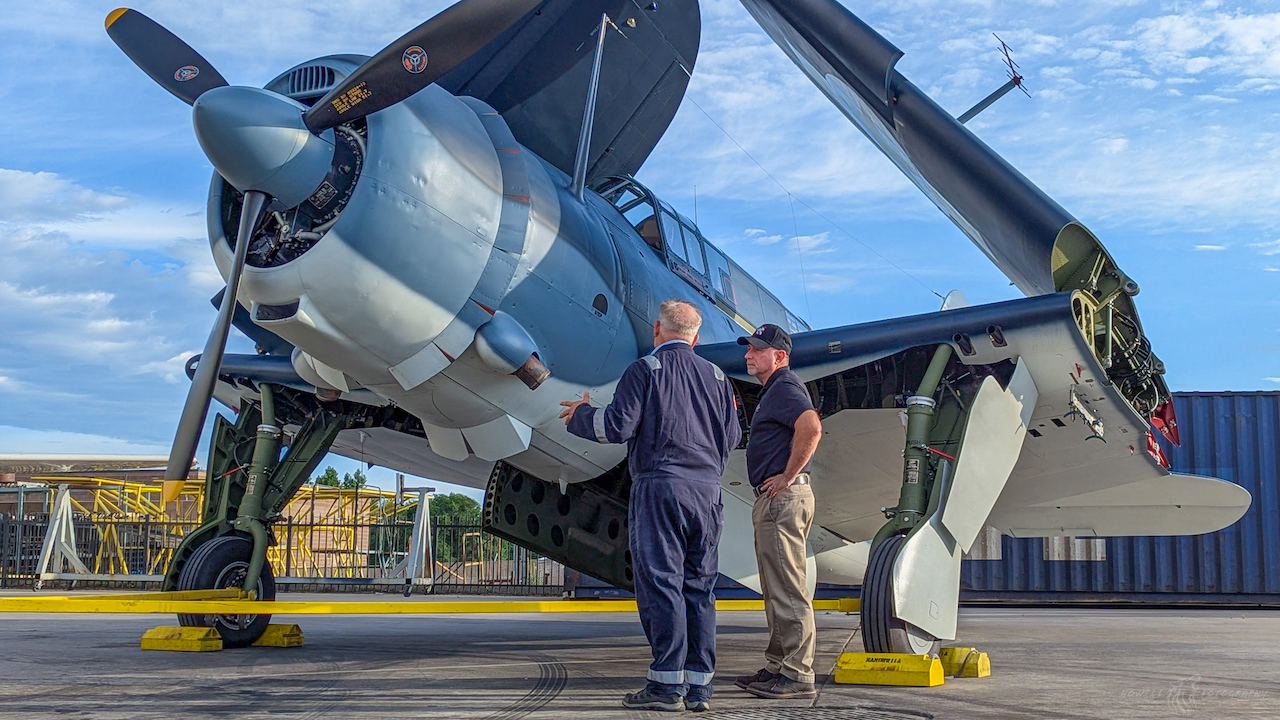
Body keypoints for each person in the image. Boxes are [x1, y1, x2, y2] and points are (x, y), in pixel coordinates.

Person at [560, 299, 741, 713]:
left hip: (661, 487)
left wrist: (580, 415)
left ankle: (665, 686)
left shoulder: (645, 370)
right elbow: (731, 437)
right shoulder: (718, 377)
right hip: (707, 492)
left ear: (657, 331)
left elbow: (616, 426)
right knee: (699, 586)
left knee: (662, 582)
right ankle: (699, 688)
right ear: (695, 337)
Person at [733, 323, 823, 699]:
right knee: (775, 588)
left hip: (783, 498)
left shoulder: (785, 386)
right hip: (774, 500)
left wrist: (788, 475)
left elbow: (811, 427)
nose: (748, 355)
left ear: (779, 356)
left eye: (756, 349)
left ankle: (798, 673)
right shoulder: (774, 391)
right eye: (748, 349)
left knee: (787, 588)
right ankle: (778, 666)